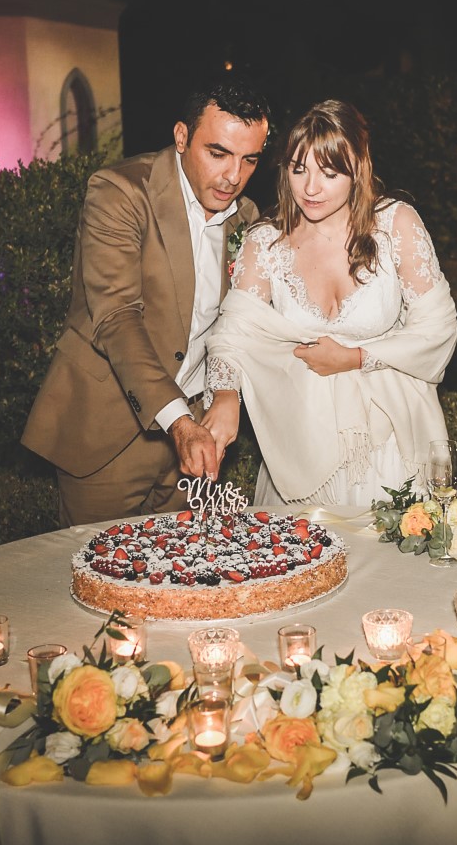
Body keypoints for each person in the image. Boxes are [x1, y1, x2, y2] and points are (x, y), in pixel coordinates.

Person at [21, 76, 272, 526]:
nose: (233, 176)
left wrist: (225, 395)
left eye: (248, 159)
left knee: (177, 580)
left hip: (197, 441)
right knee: (98, 577)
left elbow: (240, 327)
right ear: (181, 137)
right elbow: (116, 318)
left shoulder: (248, 220)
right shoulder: (120, 193)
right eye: (217, 153)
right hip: (109, 431)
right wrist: (179, 423)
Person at [206, 98, 457, 506]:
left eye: (329, 173)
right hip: (303, 448)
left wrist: (357, 357)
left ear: (357, 169)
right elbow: (230, 336)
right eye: (298, 168)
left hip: (390, 449)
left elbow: (439, 331)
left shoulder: (396, 224)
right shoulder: (265, 242)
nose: (310, 188)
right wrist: (224, 395)